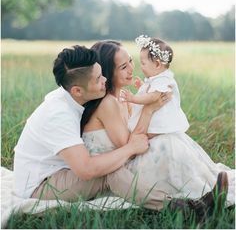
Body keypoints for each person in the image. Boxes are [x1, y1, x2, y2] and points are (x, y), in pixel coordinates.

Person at [13, 44, 228, 220]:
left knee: (110, 165)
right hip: (40, 184)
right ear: (77, 90)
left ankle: (191, 199)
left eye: (102, 73)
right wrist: (131, 148)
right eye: (98, 79)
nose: (105, 80)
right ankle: (187, 210)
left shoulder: (74, 96)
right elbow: (86, 170)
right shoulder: (58, 114)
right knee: (108, 172)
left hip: (62, 168)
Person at [81, 40, 234, 211]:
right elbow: (130, 149)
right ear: (108, 72)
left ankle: (205, 187)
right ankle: (200, 196)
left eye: (131, 60)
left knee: (172, 138)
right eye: (123, 67)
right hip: (117, 172)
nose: (132, 68)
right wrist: (149, 110)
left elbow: (140, 134)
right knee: (167, 143)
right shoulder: (108, 103)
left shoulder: (124, 98)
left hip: (127, 162)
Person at [123, 35, 189, 136]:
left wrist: (133, 98)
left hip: (161, 121)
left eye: (143, 63)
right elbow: (152, 90)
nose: (141, 67)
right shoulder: (158, 77)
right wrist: (143, 85)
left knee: (152, 134)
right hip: (157, 117)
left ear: (157, 64)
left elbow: (152, 97)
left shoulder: (163, 80)